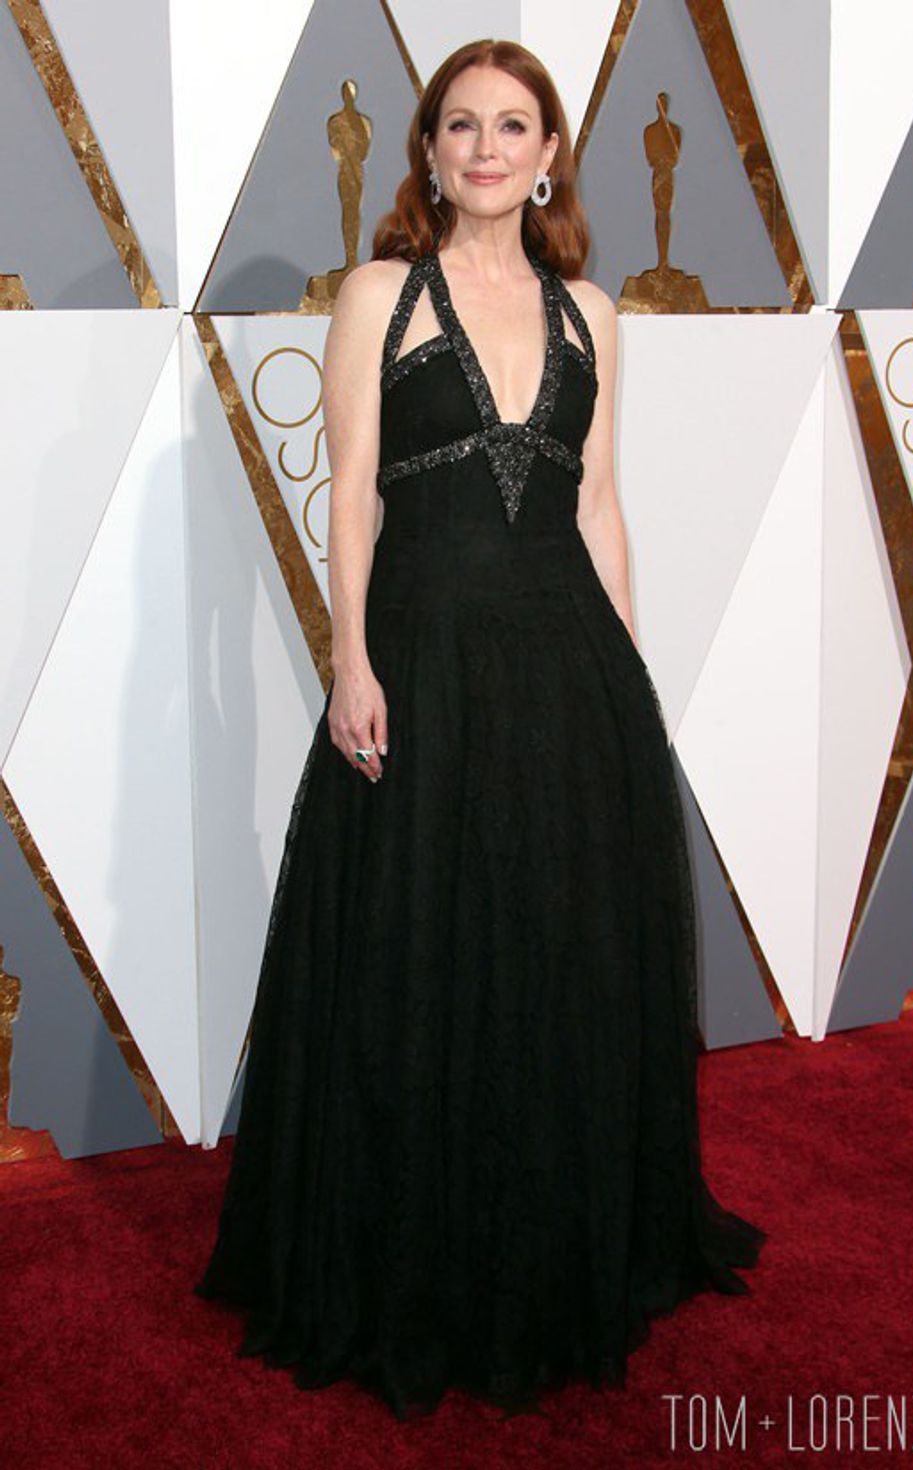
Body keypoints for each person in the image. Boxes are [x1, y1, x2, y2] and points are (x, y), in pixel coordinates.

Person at [194, 37, 766, 1422]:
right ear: (430, 150)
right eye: (463, 125)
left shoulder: (593, 314)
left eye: (515, 125)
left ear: (550, 153)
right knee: (419, 955)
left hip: (569, 670)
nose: (488, 148)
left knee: (554, 960)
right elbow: (349, 497)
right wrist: (349, 659)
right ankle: (417, 1260)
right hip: (426, 665)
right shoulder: (380, 296)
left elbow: (599, 503)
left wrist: (630, 684)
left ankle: (554, 1243)